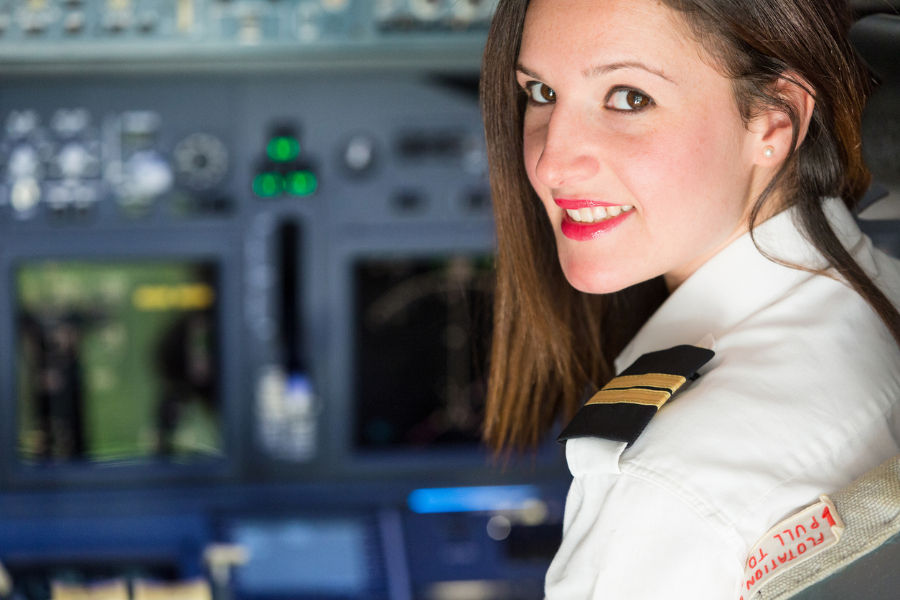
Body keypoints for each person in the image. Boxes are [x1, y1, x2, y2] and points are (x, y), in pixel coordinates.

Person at [479, 0, 900, 597]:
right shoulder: (881, 290)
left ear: (774, 121)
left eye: (628, 98)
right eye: (542, 92)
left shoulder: (662, 495)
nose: (552, 163)